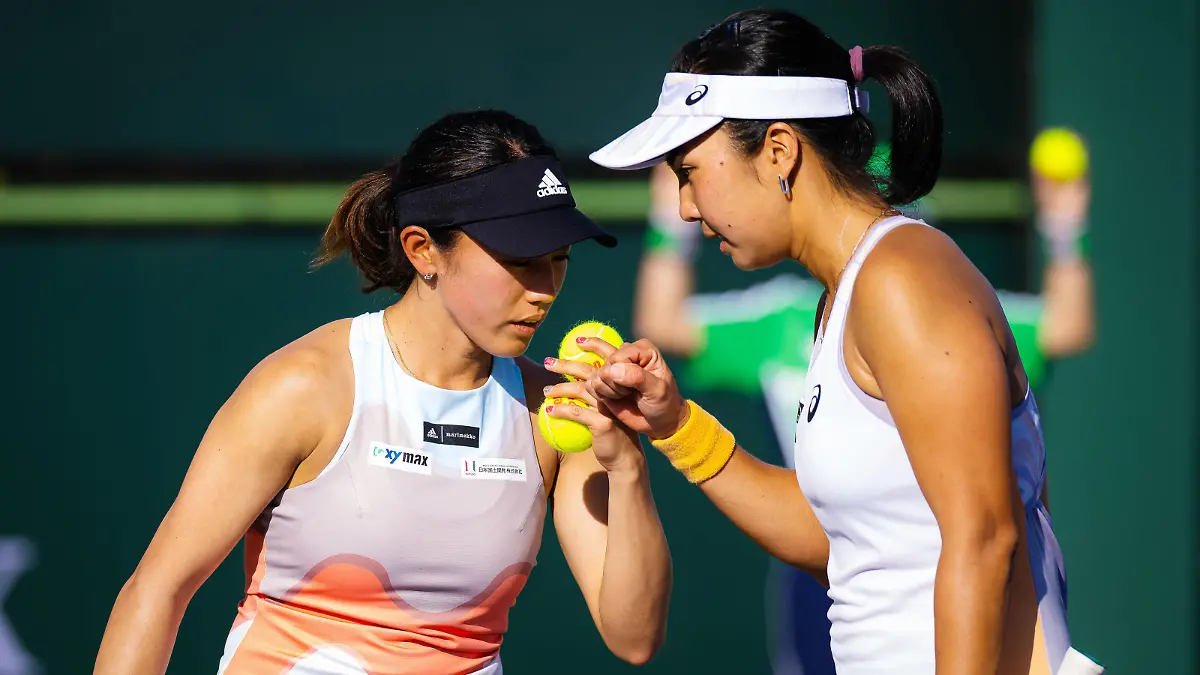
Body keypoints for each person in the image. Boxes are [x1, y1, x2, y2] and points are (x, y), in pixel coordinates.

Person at [575, 9, 1103, 674]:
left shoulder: (903, 278)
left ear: (778, 151)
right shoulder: (850, 293)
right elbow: (848, 543)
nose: (685, 205)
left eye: (691, 170)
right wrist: (677, 426)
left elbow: (984, 537)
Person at [93, 110, 673, 675]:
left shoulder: (559, 410)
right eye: (520, 260)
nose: (544, 289)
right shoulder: (305, 386)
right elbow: (157, 590)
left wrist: (626, 464)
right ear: (423, 250)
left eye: (559, 259)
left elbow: (634, 638)